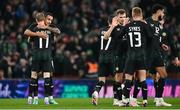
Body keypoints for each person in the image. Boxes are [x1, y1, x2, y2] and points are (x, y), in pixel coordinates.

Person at [116, 7, 152, 107]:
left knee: (128, 79)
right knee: (142, 79)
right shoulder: (144, 25)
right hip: (141, 55)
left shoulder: (128, 26)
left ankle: (126, 101)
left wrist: (125, 26)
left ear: (132, 14)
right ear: (141, 14)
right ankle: (145, 100)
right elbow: (151, 38)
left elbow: (118, 36)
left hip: (131, 56)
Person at [145, 4, 179, 106]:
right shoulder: (147, 22)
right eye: (163, 12)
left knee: (163, 75)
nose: (163, 14)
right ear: (158, 11)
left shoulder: (161, 27)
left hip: (158, 54)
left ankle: (159, 99)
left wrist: (161, 44)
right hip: (147, 54)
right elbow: (147, 38)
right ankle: (129, 97)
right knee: (141, 76)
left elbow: (156, 39)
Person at [24, 12, 60, 105]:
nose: (49, 21)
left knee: (36, 76)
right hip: (45, 55)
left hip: (39, 55)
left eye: (51, 20)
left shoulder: (41, 27)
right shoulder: (36, 26)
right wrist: (39, 34)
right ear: (44, 19)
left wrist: (37, 34)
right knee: (46, 76)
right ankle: (46, 98)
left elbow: (28, 39)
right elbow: (57, 33)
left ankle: (33, 98)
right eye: (48, 19)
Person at [91, 15, 118, 106]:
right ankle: (116, 99)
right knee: (117, 80)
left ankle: (96, 92)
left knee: (101, 80)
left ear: (108, 21)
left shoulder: (102, 30)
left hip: (102, 57)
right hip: (111, 57)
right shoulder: (116, 30)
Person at [103, 9, 128, 106]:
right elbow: (105, 37)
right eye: (120, 17)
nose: (122, 19)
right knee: (118, 78)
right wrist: (112, 26)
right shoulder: (115, 27)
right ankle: (117, 99)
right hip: (118, 56)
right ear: (117, 18)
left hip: (129, 56)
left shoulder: (128, 26)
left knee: (131, 78)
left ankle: (125, 98)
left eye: (124, 16)